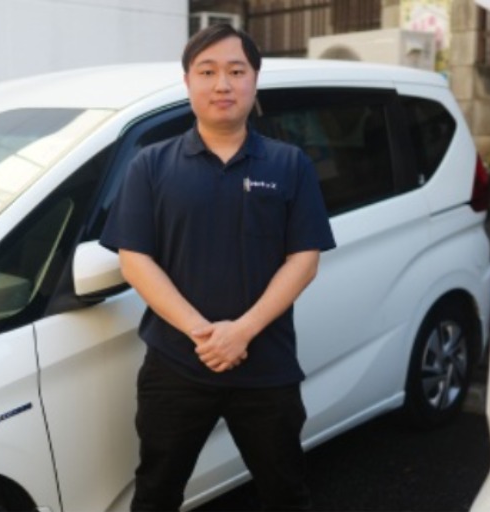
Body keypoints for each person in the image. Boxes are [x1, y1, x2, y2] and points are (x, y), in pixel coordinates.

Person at [100, 23, 336, 511]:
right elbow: (135, 259)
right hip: (175, 365)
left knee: (287, 491)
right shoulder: (151, 165)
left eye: (236, 71)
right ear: (188, 82)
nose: (222, 84)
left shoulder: (289, 164)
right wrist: (204, 333)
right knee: (157, 491)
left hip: (266, 365)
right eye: (207, 72)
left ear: (255, 79)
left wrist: (242, 332)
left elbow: (304, 259)